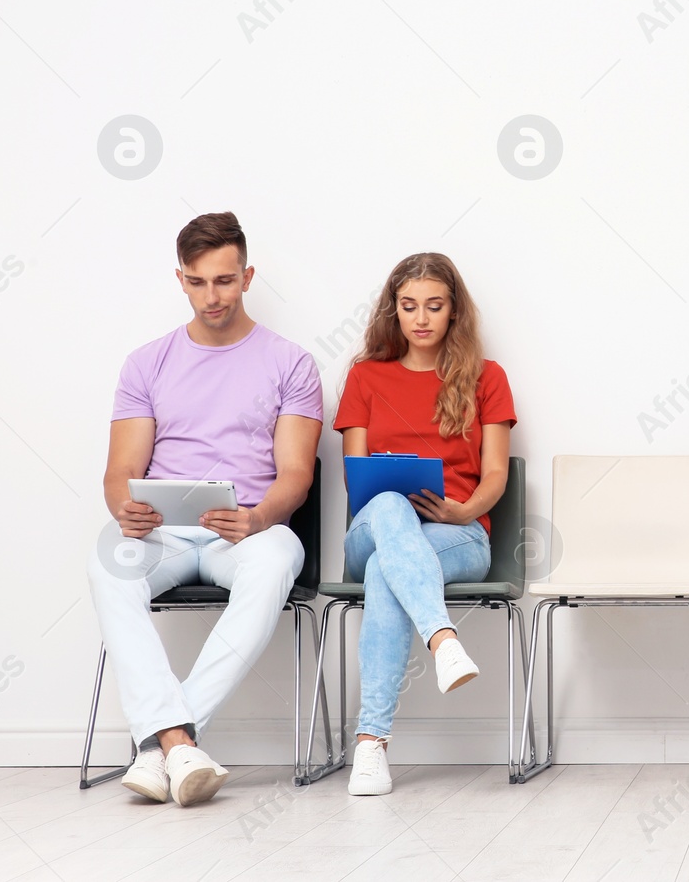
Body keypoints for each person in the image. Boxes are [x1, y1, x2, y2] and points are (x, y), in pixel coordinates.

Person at [87, 212, 323, 806]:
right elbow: (121, 469)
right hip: (164, 533)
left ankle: (161, 742)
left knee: (273, 565)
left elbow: (297, 473)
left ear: (246, 276)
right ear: (181, 279)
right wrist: (125, 508)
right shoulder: (147, 362)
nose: (211, 296)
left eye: (223, 280)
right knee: (107, 560)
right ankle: (178, 741)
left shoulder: (291, 362)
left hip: (247, 530)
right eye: (197, 282)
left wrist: (259, 518)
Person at [332, 253, 515, 796]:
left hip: (458, 533)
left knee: (390, 574)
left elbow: (496, 474)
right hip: (375, 527)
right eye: (409, 307)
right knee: (388, 503)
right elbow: (355, 478)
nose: (421, 319)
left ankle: (370, 746)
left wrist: (465, 510)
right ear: (394, 311)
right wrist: (390, 496)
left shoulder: (487, 377)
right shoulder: (365, 377)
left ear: (454, 310)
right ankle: (442, 639)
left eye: (434, 306)